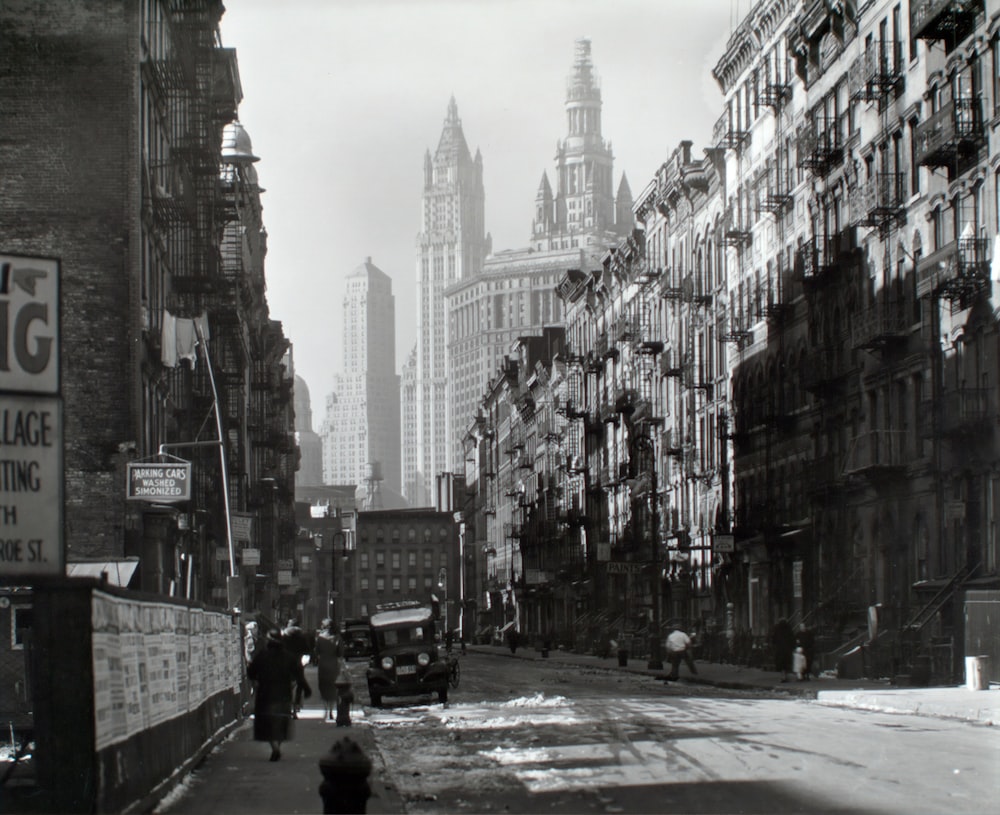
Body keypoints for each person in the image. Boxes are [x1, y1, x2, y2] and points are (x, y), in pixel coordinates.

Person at [246, 628, 311, 761]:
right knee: (281, 723)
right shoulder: (288, 656)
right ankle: (277, 746)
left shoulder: (262, 655)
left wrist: (257, 677)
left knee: (267, 723)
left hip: (265, 694)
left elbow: (251, 672)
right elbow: (299, 674)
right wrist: (306, 688)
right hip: (283, 694)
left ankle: (274, 747)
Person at [314, 618, 344, 721]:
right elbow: (340, 653)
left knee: (323, 688)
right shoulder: (337, 638)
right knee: (333, 689)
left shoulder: (320, 638)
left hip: (323, 666)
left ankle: (326, 710)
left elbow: (316, 652)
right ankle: (331, 711)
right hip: (333, 666)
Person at [771, 618, 795, 682]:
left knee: (781, 664)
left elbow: (774, 639)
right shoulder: (788, 628)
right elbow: (792, 638)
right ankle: (785, 676)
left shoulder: (777, 629)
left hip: (780, 650)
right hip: (787, 650)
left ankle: (783, 676)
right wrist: (792, 647)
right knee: (786, 663)